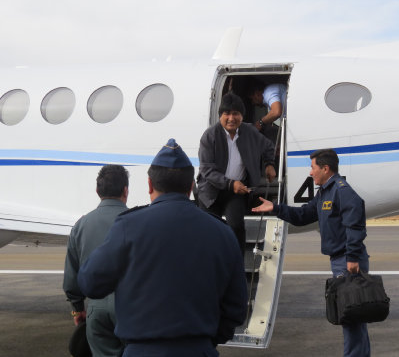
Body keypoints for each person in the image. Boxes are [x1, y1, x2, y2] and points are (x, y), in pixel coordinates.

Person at [78, 139, 248, 357]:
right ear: (190, 187)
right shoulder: (222, 233)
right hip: (199, 350)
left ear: (149, 185)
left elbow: (90, 283)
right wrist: (206, 340)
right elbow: (236, 308)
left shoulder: (128, 227)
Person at [252, 148, 371, 357]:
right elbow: (302, 215)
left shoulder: (342, 191)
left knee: (350, 315)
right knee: (353, 315)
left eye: (313, 168)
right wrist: (275, 208)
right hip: (340, 259)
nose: (310, 172)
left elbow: (356, 225)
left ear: (325, 169)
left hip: (348, 260)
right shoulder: (325, 192)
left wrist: (352, 258)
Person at [197, 92, 276, 254]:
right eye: (227, 114)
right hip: (211, 191)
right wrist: (230, 184)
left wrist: (269, 164)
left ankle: (236, 265)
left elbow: (268, 146)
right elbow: (206, 169)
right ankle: (210, 266)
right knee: (209, 230)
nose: (231, 118)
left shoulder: (249, 131)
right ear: (220, 116)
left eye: (236, 114)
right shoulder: (209, 136)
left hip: (236, 192)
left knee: (236, 226)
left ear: (242, 116)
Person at [63, 164, 128, 357]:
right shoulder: (137, 221)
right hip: (131, 306)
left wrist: (77, 309)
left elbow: (72, 276)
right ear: (126, 190)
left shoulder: (81, 225)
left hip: (96, 308)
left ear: (97, 191)